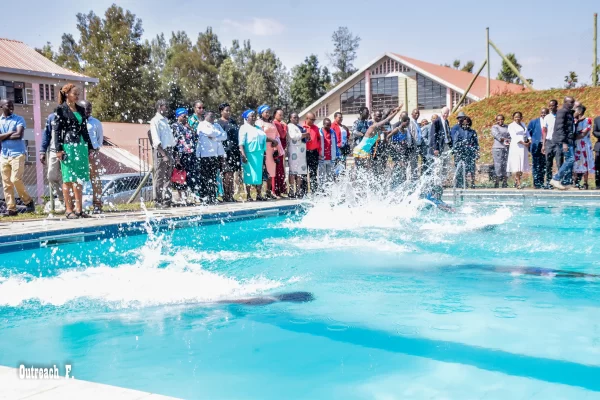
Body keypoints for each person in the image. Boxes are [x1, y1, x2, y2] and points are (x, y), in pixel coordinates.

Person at [54, 84, 92, 218]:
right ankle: (68, 210)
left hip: (81, 145)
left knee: (79, 179)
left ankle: (79, 210)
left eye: (78, 94)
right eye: (75, 93)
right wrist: (58, 149)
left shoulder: (81, 109)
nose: (77, 96)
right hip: (68, 146)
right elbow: (57, 131)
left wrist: (90, 146)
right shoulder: (60, 109)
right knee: (68, 179)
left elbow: (84, 129)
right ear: (67, 94)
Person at [0, 99, 35, 216]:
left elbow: (19, 135)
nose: (11, 107)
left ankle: (28, 201)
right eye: (8, 105)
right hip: (4, 155)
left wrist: (4, 136)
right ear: (1, 106)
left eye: (12, 105)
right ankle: (11, 209)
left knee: (15, 179)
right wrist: (10, 132)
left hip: (18, 154)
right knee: (6, 183)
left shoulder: (19, 119)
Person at [238, 110, 278, 201]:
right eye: (251, 116)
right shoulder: (244, 127)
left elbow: (264, 138)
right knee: (249, 174)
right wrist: (243, 155)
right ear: (246, 118)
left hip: (259, 154)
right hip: (249, 154)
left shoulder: (258, 127)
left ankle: (259, 194)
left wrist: (272, 140)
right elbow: (241, 143)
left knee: (259, 174)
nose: (253, 117)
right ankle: (248, 195)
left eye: (254, 116)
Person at [354, 106, 402, 172]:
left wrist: (393, 111)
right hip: (360, 150)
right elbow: (386, 120)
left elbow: (386, 118)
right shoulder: (372, 126)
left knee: (368, 171)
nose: (380, 121)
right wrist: (396, 112)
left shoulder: (373, 126)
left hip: (366, 150)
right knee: (363, 171)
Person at [196, 110, 227, 204]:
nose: (213, 118)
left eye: (214, 116)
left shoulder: (217, 125)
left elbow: (224, 136)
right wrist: (216, 135)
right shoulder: (202, 124)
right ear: (205, 116)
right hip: (205, 155)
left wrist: (215, 137)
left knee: (213, 177)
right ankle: (204, 197)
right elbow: (210, 132)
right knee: (205, 177)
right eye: (211, 116)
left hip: (214, 155)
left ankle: (212, 196)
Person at [150, 100, 175, 209]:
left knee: (168, 177)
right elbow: (156, 139)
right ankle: (158, 200)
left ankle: (167, 200)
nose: (167, 108)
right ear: (160, 107)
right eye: (166, 106)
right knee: (159, 177)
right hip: (161, 151)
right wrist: (163, 154)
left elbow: (170, 138)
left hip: (169, 150)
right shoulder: (155, 121)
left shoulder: (165, 120)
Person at [79, 100, 104, 213]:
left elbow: (99, 139)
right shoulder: (76, 121)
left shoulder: (96, 122)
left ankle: (97, 204)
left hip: (92, 153)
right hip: (79, 153)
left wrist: (94, 150)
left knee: (95, 179)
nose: (88, 111)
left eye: (89, 109)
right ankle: (78, 206)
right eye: (85, 109)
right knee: (78, 179)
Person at [257, 105, 284, 199]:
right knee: (263, 171)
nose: (268, 114)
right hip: (263, 149)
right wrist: (272, 141)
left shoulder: (271, 123)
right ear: (261, 113)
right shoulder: (259, 123)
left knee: (271, 172)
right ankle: (259, 193)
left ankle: (268, 192)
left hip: (272, 149)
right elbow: (260, 136)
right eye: (266, 112)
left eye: (269, 112)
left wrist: (276, 147)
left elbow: (276, 135)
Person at [550, 97, 576, 190]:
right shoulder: (562, 112)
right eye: (571, 102)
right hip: (563, 140)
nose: (573, 104)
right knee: (571, 159)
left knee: (570, 160)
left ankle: (566, 183)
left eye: (573, 102)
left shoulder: (569, 112)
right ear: (565, 102)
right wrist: (564, 142)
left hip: (569, 140)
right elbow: (559, 128)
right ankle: (555, 178)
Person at [171, 107, 196, 204]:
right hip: (181, 154)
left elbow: (194, 137)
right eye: (183, 115)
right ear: (178, 116)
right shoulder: (174, 126)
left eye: (186, 115)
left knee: (189, 176)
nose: (185, 117)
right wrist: (176, 158)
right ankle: (181, 197)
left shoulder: (188, 126)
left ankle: (187, 197)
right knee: (180, 176)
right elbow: (174, 143)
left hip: (190, 154)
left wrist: (190, 128)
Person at [217, 103, 241, 203]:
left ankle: (230, 194)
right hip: (224, 151)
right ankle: (226, 195)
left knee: (232, 173)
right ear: (221, 111)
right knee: (227, 174)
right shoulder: (218, 123)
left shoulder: (233, 121)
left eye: (229, 110)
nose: (228, 112)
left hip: (234, 151)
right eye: (226, 110)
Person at [39, 112, 64, 206]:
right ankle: (62, 198)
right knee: (51, 176)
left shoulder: (73, 114)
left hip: (68, 150)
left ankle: (71, 201)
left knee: (68, 178)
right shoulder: (52, 117)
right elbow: (47, 134)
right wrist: (42, 151)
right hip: (54, 151)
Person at [452, 116, 479, 188]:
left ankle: (473, 182)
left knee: (472, 167)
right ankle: (465, 182)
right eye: (464, 124)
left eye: (467, 124)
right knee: (464, 168)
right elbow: (455, 142)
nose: (466, 125)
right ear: (461, 124)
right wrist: (456, 151)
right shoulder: (458, 132)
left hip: (470, 152)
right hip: (461, 152)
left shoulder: (472, 132)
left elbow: (476, 143)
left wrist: (477, 151)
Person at [286, 112, 310, 198]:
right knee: (293, 172)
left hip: (301, 151)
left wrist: (307, 136)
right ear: (290, 118)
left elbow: (303, 136)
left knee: (300, 172)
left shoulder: (299, 127)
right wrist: (305, 134)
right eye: (294, 117)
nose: (296, 119)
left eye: (297, 117)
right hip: (294, 151)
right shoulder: (289, 126)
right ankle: (292, 191)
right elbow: (294, 136)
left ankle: (298, 190)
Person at [507, 112, 531, 189]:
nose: (517, 118)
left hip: (523, 147)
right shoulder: (511, 126)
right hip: (516, 146)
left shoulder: (523, 124)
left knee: (521, 164)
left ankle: (516, 180)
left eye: (519, 117)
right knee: (517, 164)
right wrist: (523, 143)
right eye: (516, 117)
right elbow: (514, 136)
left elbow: (527, 134)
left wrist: (529, 140)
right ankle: (518, 182)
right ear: (513, 118)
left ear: (521, 117)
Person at [572, 105, 594, 189]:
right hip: (576, 145)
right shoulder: (574, 121)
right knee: (575, 163)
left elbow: (583, 134)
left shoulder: (588, 120)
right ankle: (575, 182)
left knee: (585, 163)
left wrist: (572, 136)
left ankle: (585, 183)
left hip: (584, 145)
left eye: (575, 111)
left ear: (580, 112)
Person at [387, 113, 412, 188]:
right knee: (398, 166)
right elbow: (387, 138)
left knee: (404, 167)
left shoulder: (405, 131)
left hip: (403, 152)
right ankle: (393, 184)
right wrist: (393, 146)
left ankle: (402, 184)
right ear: (403, 122)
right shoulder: (396, 129)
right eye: (407, 123)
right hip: (396, 152)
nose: (408, 124)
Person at [429, 106, 453, 182]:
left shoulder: (446, 121)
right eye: (445, 113)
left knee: (446, 164)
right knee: (438, 164)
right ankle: (436, 182)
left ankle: (443, 181)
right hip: (439, 147)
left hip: (446, 145)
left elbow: (447, 133)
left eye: (447, 113)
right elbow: (433, 135)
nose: (446, 115)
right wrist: (435, 148)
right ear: (441, 113)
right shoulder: (436, 122)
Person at [527, 108, 547, 189]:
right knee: (536, 164)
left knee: (544, 165)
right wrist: (530, 141)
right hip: (536, 145)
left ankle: (541, 182)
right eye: (542, 113)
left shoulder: (549, 122)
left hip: (546, 145)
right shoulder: (534, 122)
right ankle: (536, 183)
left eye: (545, 113)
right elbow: (528, 132)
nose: (543, 114)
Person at [542, 100, 560, 189]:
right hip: (549, 142)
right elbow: (544, 131)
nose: (551, 107)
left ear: (557, 106)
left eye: (553, 106)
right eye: (550, 106)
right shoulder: (547, 117)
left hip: (558, 142)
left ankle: (558, 181)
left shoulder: (560, 116)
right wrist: (543, 145)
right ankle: (548, 182)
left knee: (559, 163)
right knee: (548, 164)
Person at [318, 118, 340, 188]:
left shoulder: (333, 132)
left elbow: (335, 144)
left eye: (330, 125)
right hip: (322, 158)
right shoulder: (319, 132)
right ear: (323, 124)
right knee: (321, 176)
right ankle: (321, 190)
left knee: (330, 176)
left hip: (331, 158)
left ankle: (329, 191)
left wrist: (337, 155)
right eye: (327, 125)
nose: (329, 127)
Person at [303, 112, 321, 193]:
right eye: (312, 119)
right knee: (304, 172)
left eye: (314, 120)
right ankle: (304, 190)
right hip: (304, 153)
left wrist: (319, 152)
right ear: (306, 119)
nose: (313, 121)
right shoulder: (302, 127)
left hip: (314, 152)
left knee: (313, 172)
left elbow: (319, 140)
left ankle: (314, 190)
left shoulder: (316, 128)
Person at [272, 108, 288, 197]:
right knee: (276, 170)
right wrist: (285, 126)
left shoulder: (279, 123)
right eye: (280, 115)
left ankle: (280, 190)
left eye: (282, 115)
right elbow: (282, 135)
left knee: (280, 170)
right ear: (275, 115)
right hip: (276, 149)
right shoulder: (276, 123)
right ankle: (275, 191)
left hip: (281, 149)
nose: (281, 116)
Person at [491, 114, 510, 188]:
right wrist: (507, 139)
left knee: (506, 164)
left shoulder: (507, 127)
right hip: (498, 148)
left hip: (507, 147)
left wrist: (509, 140)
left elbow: (510, 135)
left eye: (501, 119)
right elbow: (498, 136)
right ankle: (497, 181)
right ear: (496, 121)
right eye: (498, 120)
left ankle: (505, 182)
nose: (500, 121)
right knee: (498, 164)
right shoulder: (494, 127)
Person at [594, 116, 600, 189]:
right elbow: (594, 132)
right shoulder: (597, 119)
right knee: (598, 166)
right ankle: (598, 184)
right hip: (599, 145)